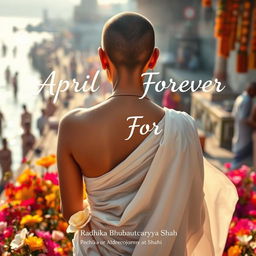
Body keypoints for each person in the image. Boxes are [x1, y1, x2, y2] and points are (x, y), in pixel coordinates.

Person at [57, 12, 238, 256]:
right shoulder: (182, 128)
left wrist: (108, 216)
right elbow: (192, 215)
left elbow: (71, 213)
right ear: (154, 59)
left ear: (102, 58)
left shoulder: (72, 126)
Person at [231, 82, 256, 169]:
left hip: (239, 131)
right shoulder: (247, 100)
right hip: (244, 133)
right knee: (240, 159)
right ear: (252, 91)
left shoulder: (240, 97)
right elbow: (243, 119)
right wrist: (252, 123)